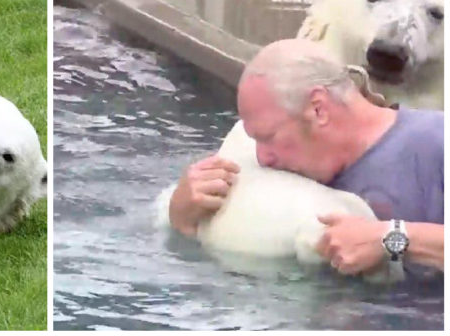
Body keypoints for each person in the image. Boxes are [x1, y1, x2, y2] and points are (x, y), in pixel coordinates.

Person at [169, 38, 443, 278]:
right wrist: (183, 217)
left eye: (269, 137)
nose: (263, 158)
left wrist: (392, 239)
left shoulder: (434, 143)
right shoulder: (287, 171)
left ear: (318, 109)